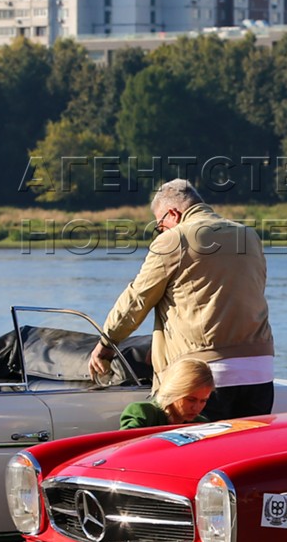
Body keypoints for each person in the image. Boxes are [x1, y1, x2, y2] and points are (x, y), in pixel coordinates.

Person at [86, 179, 274, 422]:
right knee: (244, 444)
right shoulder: (248, 235)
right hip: (260, 371)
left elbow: (137, 300)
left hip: (203, 373)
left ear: (173, 214)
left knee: (198, 446)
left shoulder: (175, 239)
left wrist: (106, 343)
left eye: (160, 226)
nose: (161, 232)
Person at [119, 357, 216, 429]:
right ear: (174, 392)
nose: (196, 408)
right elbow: (125, 445)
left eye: (203, 401)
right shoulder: (143, 413)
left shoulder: (200, 424)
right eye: (191, 400)